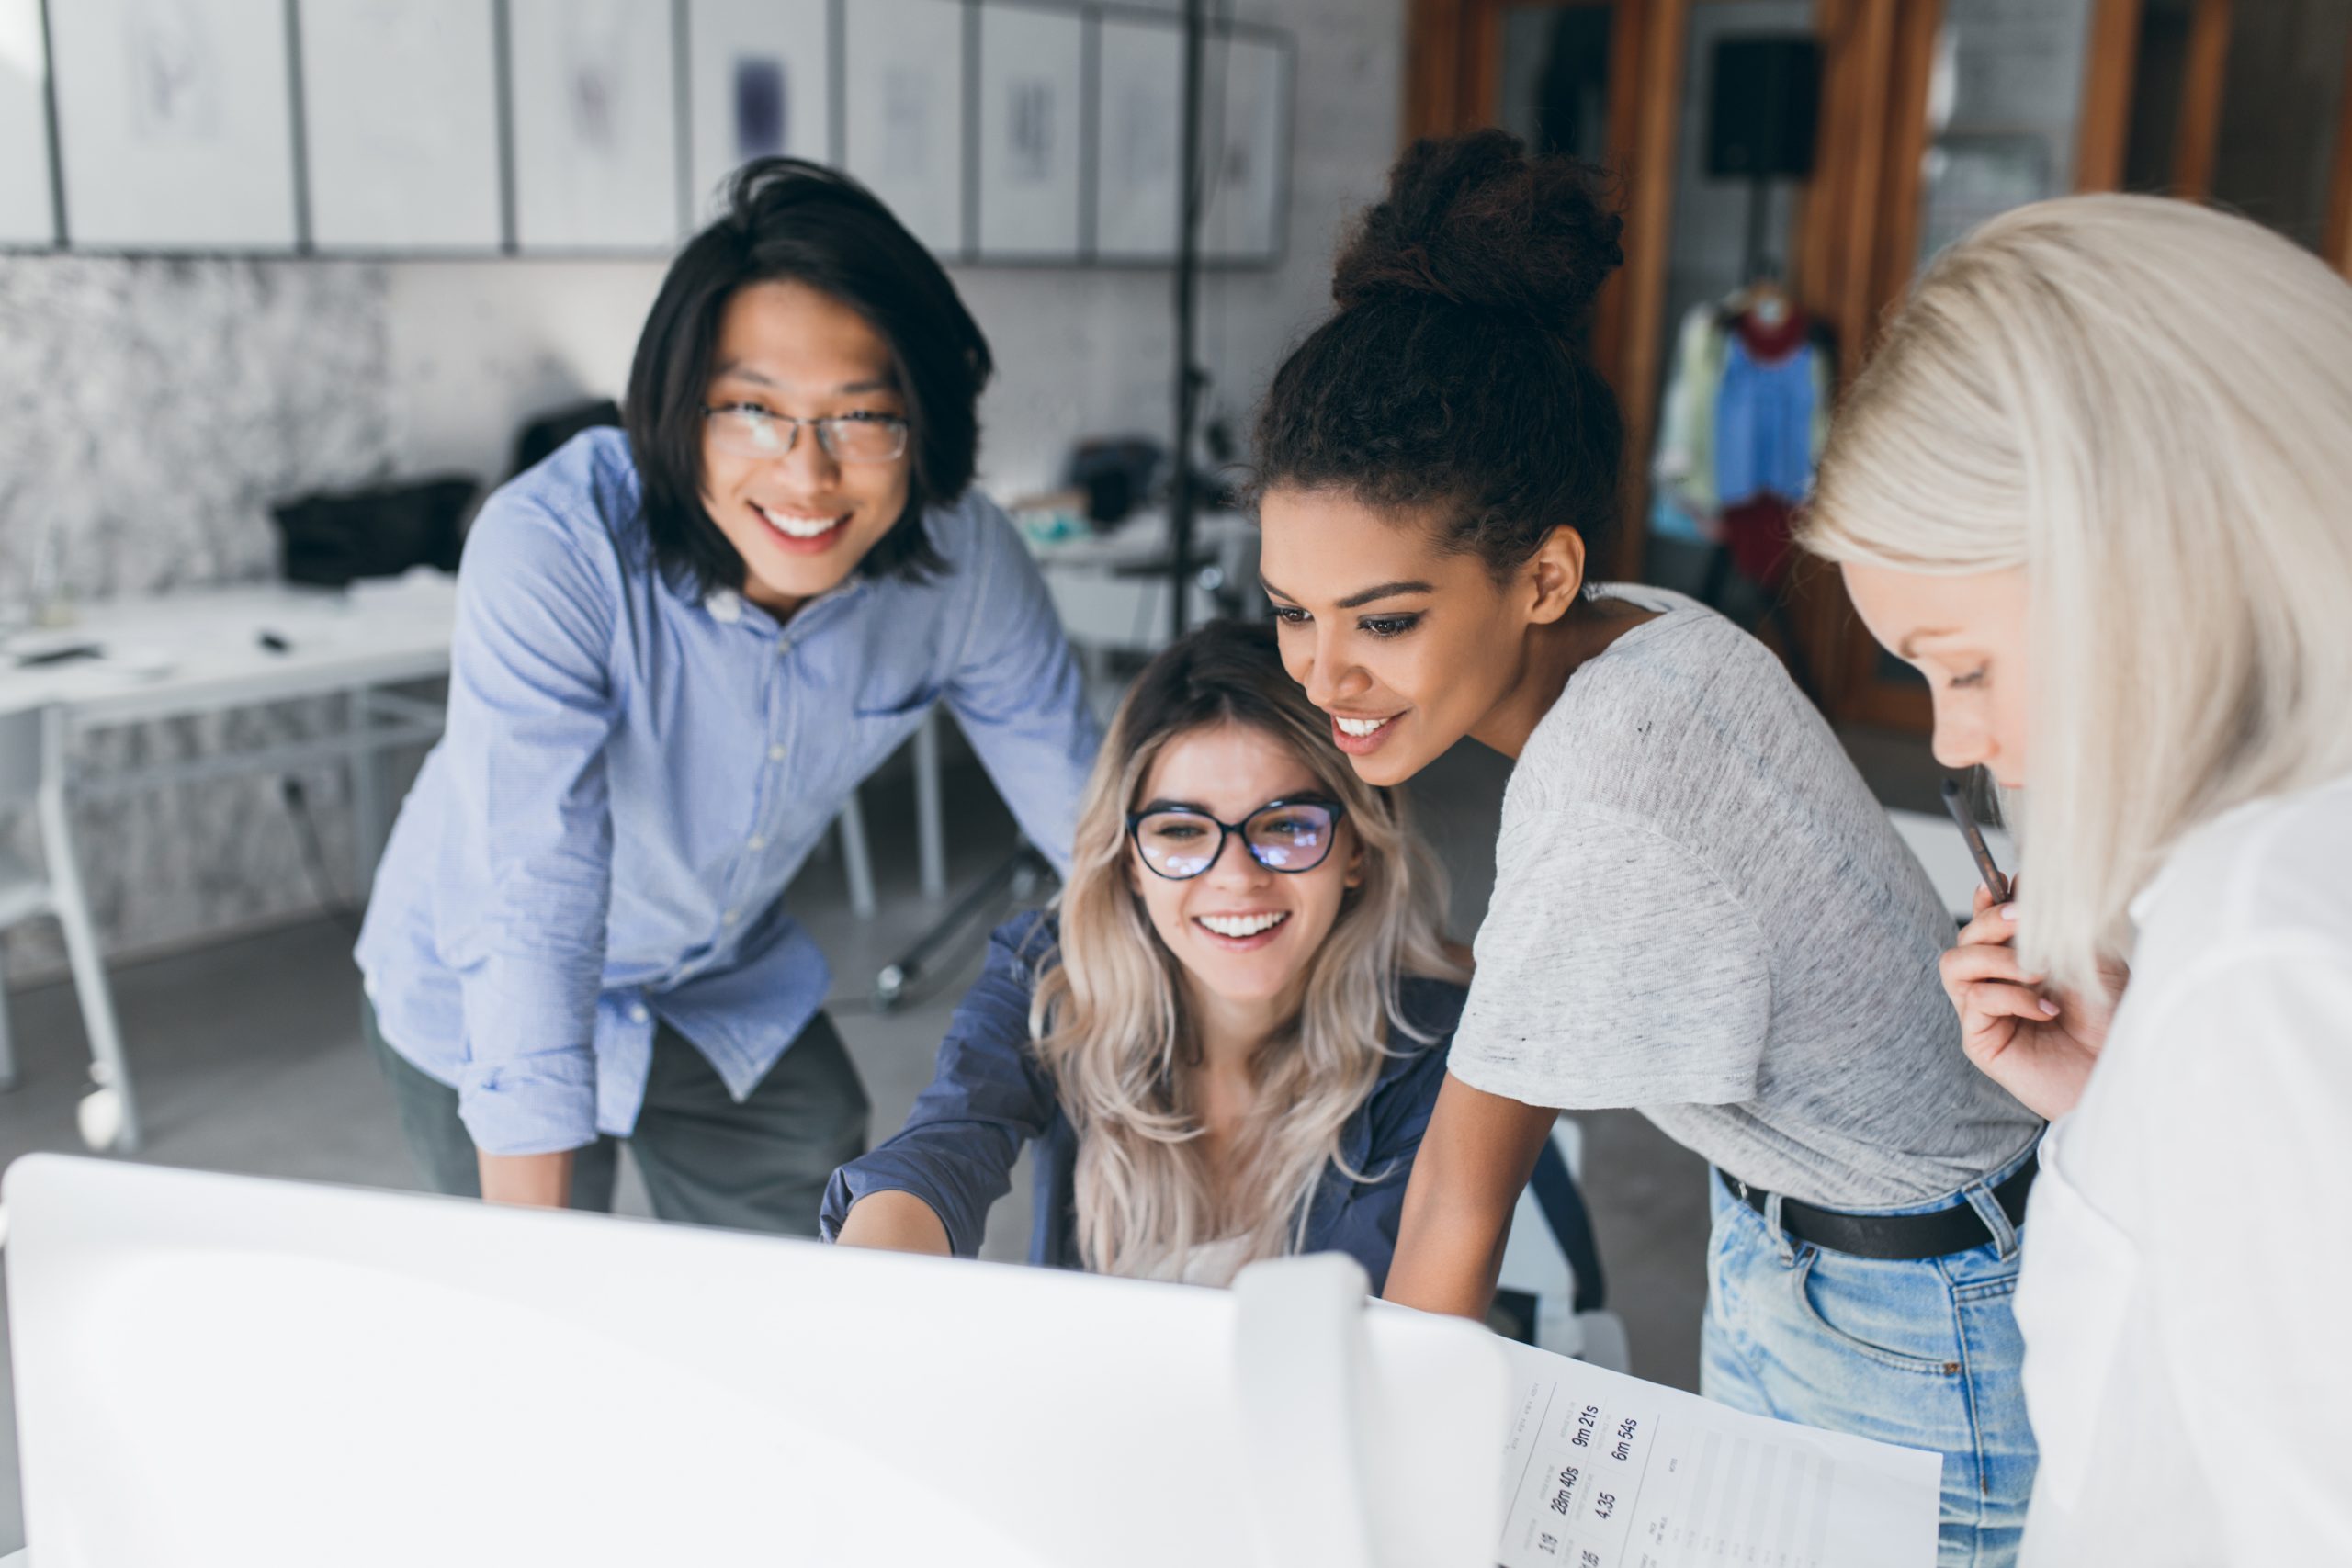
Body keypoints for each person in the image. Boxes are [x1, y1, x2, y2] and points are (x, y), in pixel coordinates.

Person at [1249, 130, 2043, 1565]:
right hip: (1837, 1234)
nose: (1324, 673)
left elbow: (1456, 1206)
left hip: (1920, 1314)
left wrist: (1364, 1517)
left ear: (1540, 573)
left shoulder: (1606, 795)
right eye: (1291, 610)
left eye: (1383, 618)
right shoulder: (1652, 627)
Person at [353, 158, 1098, 1231]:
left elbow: (1092, 822)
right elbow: (533, 906)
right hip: (475, 984)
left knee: (804, 1279)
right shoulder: (557, 544)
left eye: (861, 417)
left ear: (924, 425)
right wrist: (532, 1267)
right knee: (560, 1320)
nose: (806, 475)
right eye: (752, 409)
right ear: (677, 409)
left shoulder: (963, 561)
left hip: (713, 976)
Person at [1802, 194, 2352, 1564]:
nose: (1953, 740)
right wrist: (2128, 1103)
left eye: (1965, 664)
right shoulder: (2261, 913)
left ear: (2155, 559)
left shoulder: (2264, 943)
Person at [823, 619, 1468, 1289]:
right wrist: (873, 1286)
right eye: (1182, 831)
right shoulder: (1049, 971)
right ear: (1130, 860)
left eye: (1285, 825)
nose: (1237, 876)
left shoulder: (1428, 1042)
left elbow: (1383, 1329)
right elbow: (944, 1145)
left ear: (1356, 846)